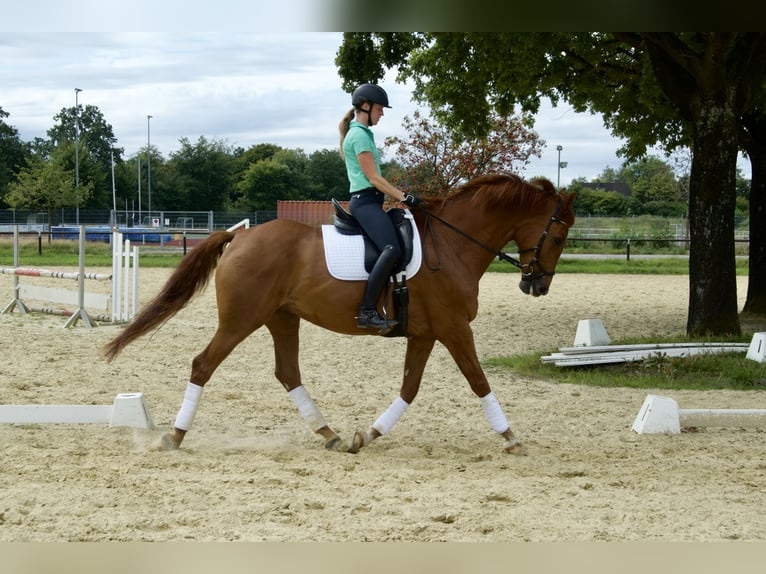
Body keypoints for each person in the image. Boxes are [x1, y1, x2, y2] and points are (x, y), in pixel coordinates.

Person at [338, 83, 422, 333]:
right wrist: (404, 197)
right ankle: (367, 311)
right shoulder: (359, 135)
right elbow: (374, 178)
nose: (382, 114)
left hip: (371, 201)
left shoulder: (363, 133)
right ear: (365, 106)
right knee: (391, 248)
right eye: (380, 108)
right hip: (365, 201)